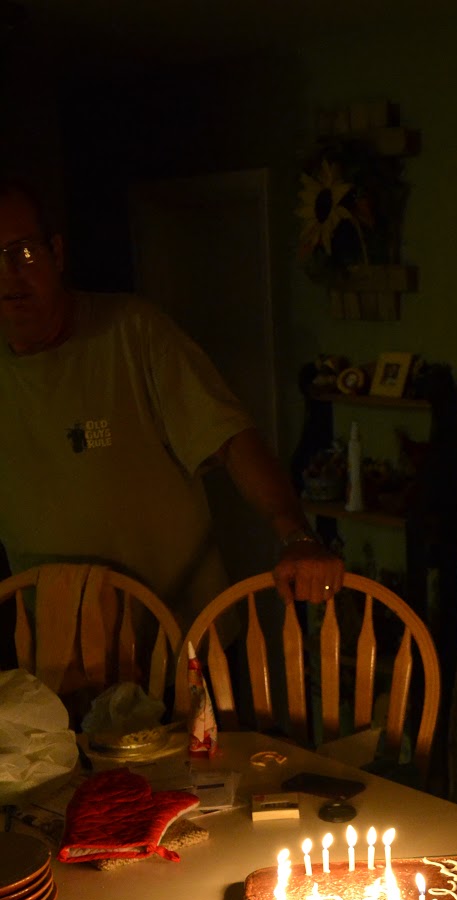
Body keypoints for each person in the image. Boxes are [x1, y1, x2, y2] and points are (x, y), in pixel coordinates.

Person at [0, 179, 343, 628]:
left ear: (57, 254)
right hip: (58, 649)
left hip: (180, 637)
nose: (9, 274)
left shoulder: (132, 331)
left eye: (23, 252)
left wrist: (295, 534)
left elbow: (231, 439)